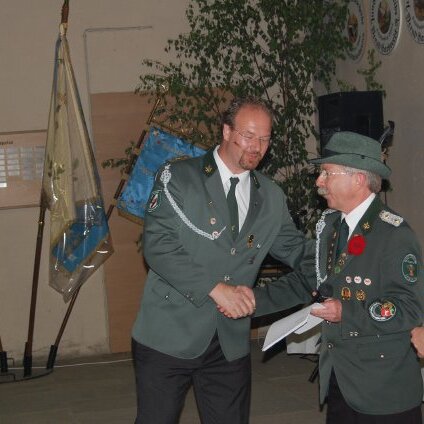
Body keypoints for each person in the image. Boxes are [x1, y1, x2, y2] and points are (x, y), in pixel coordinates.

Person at [131, 97, 314, 424]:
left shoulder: (271, 196)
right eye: (248, 136)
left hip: (229, 341)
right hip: (168, 335)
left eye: (265, 139)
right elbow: (158, 245)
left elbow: (297, 249)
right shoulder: (180, 177)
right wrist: (215, 289)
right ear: (227, 131)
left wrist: (339, 260)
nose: (257, 147)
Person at [254, 131, 424, 423]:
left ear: (357, 179)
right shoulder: (331, 226)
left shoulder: (393, 234)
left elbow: (409, 308)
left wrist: (347, 311)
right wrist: (250, 301)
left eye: (327, 173)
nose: (319, 182)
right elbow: (311, 280)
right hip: (340, 376)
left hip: (383, 387)